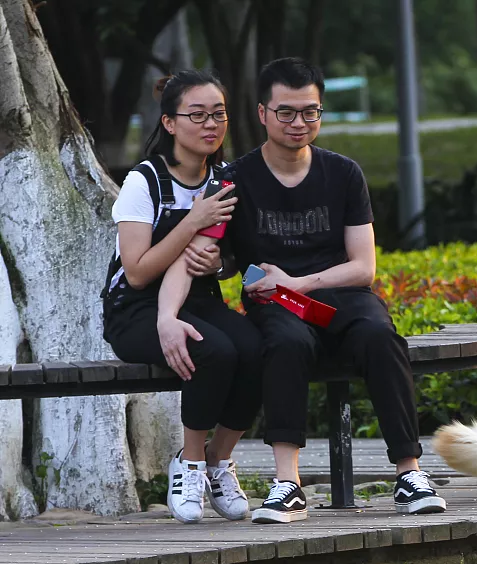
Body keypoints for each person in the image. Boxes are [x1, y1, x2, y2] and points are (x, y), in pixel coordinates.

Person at [229, 57, 445, 524]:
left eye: (310, 111)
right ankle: (288, 484)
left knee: (378, 335)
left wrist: (301, 281)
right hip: (276, 304)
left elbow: (363, 267)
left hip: (342, 297)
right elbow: (220, 256)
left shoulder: (344, 173)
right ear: (262, 113)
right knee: (285, 343)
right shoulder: (236, 179)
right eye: (286, 112)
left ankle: (410, 473)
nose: (299, 123)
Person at [103, 70, 262, 525]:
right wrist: (192, 222)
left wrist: (219, 265)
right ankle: (188, 465)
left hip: (201, 299)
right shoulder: (145, 181)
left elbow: (233, 261)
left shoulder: (225, 181)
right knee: (213, 351)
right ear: (170, 123)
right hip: (135, 311)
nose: (210, 125)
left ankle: (217, 461)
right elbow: (135, 273)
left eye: (218, 115)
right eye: (197, 115)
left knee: (255, 347)